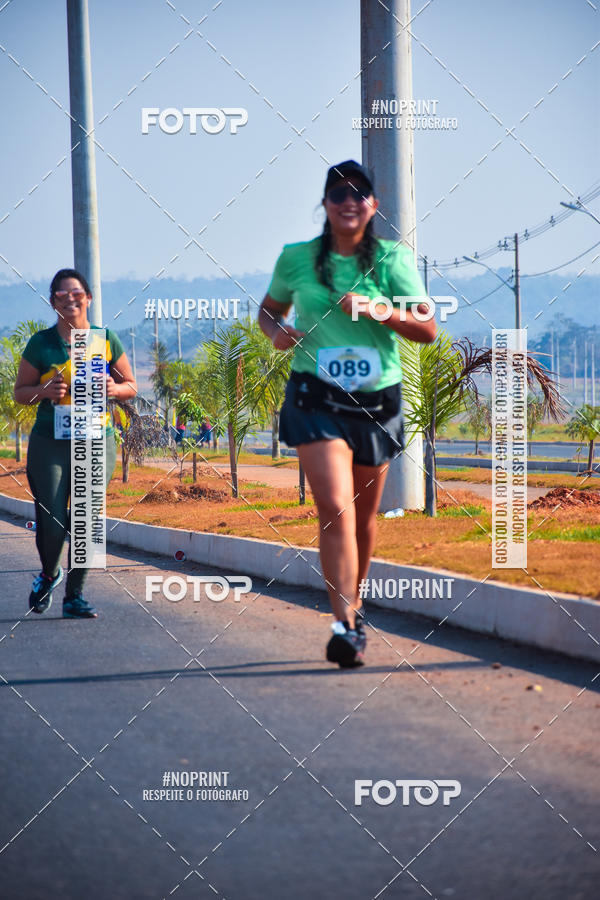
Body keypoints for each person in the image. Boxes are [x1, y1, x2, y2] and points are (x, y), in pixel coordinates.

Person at [259, 160, 436, 668]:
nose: (349, 200)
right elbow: (269, 310)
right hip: (315, 393)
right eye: (338, 193)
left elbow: (427, 329)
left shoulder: (390, 259)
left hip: (376, 399)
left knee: (362, 518)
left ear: (373, 205)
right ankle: (343, 623)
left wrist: (378, 310)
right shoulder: (296, 259)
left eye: (360, 193)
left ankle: (355, 611)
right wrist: (277, 334)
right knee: (334, 506)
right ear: (325, 204)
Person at [14, 268, 137, 618]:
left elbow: (130, 384)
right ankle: (48, 574)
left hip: (96, 439)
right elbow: (19, 393)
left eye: (76, 293)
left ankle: (75, 595)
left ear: (89, 297)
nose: (70, 299)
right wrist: (43, 391)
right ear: (53, 302)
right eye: (61, 295)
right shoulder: (41, 343)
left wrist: (115, 389)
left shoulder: (105, 339)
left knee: (86, 517)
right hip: (49, 443)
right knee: (52, 520)